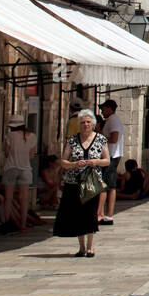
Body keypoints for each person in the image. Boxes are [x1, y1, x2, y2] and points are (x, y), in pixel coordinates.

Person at [53, 109, 109, 257]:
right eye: (83, 122)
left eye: (88, 122)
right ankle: (81, 247)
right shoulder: (72, 140)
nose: (85, 125)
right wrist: (74, 164)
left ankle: (90, 246)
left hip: (92, 182)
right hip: (74, 181)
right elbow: (63, 161)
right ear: (79, 124)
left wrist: (95, 162)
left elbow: (107, 160)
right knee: (77, 213)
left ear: (93, 124)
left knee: (90, 213)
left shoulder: (100, 140)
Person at [0, 114, 36, 232]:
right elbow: (31, 155)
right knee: (24, 198)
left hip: (11, 168)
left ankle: (6, 223)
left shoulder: (10, 135)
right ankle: (23, 224)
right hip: (25, 169)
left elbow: (6, 152)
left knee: (8, 198)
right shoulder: (32, 137)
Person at [97, 99, 124, 225]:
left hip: (111, 156)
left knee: (106, 185)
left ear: (109, 108)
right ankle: (107, 215)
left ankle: (104, 215)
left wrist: (99, 135)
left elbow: (114, 138)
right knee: (109, 185)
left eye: (103, 108)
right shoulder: (112, 120)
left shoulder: (113, 120)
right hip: (112, 155)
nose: (102, 111)